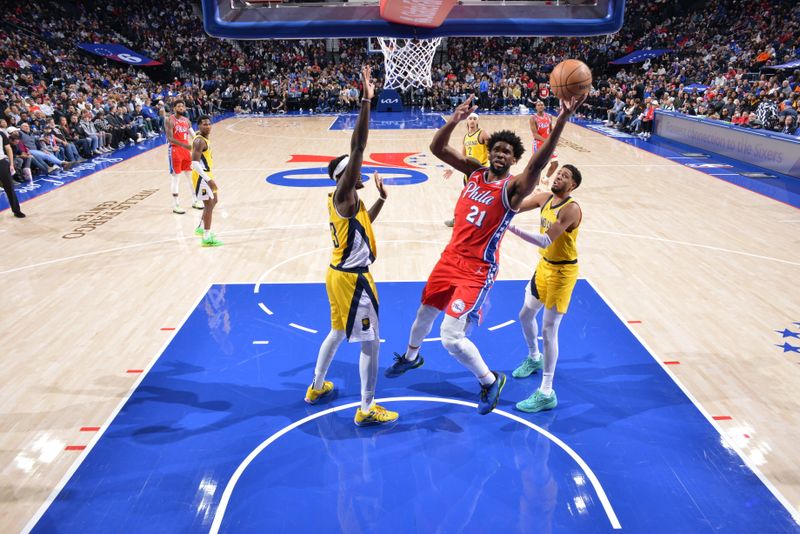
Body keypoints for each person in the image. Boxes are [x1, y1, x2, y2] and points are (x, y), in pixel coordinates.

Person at [386, 93, 585, 415]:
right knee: (424, 313)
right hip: (450, 257)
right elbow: (437, 149)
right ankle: (411, 357)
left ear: (514, 160)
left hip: (477, 268)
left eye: (507, 152)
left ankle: (489, 380)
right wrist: (453, 120)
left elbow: (537, 162)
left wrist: (561, 120)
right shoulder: (475, 172)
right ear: (489, 153)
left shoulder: (513, 188)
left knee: (450, 338)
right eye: (497, 150)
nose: (501, 155)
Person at [306, 66, 398, 428]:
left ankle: (316, 386)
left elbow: (362, 228)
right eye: (355, 169)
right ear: (347, 174)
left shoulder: (349, 204)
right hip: (353, 281)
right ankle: (366, 407)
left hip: (337, 275)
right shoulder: (345, 193)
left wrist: (382, 201)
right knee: (370, 342)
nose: (361, 168)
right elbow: (357, 146)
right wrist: (366, 99)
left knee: (335, 332)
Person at [507, 164, 583, 413]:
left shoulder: (571, 209)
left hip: (562, 273)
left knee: (549, 330)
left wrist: (509, 228)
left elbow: (545, 239)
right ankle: (534, 357)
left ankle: (546, 392)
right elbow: (514, 206)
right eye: (559, 173)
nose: (559, 177)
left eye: (565, 176)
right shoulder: (544, 198)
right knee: (525, 315)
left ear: (572, 186)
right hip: (544, 266)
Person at [443, 112, 489, 227]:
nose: (472, 121)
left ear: (477, 121)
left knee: (482, 199)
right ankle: (458, 219)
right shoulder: (466, 137)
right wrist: (452, 169)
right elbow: (462, 157)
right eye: (470, 119)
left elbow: (491, 152)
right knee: (466, 198)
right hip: (468, 172)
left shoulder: (482, 134)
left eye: (474, 119)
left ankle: (485, 220)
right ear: (467, 121)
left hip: (481, 171)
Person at [190, 116, 221, 247]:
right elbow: (194, 163)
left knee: (214, 200)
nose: (207, 126)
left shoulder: (203, 139)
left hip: (206, 174)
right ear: (198, 126)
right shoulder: (199, 141)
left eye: (209, 124)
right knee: (208, 205)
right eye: (204, 124)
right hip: (202, 177)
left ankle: (201, 227)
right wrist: (208, 180)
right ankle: (206, 237)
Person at [165, 100, 201, 214]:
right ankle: (176, 204)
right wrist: (185, 144)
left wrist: (201, 140)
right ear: (174, 108)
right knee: (176, 178)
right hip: (175, 150)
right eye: (178, 106)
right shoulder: (169, 120)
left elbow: (193, 136)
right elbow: (170, 138)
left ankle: (195, 200)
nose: (181, 108)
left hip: (186, 152)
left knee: (190, 177)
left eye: (182, 106)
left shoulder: (187, 121)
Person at [530, 100, 559, 193]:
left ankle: (545, 178)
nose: (540, 106)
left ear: (544, 106)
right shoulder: (533, 118)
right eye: (538, 105)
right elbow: (535, 134)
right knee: (538, 167)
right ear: (536, 107)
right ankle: (536, 187)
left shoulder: (549, 116)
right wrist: (547, 141)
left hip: (548, 143)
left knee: (555, 164)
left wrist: (553, 139)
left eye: (542, 104)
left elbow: (551, 130)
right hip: (539, 144)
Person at [1, 128, 25, 218]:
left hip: (2, 162)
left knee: (9, 188)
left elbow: (8, 149)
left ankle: (16, 210)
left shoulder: (2, 134)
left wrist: (11, 164)